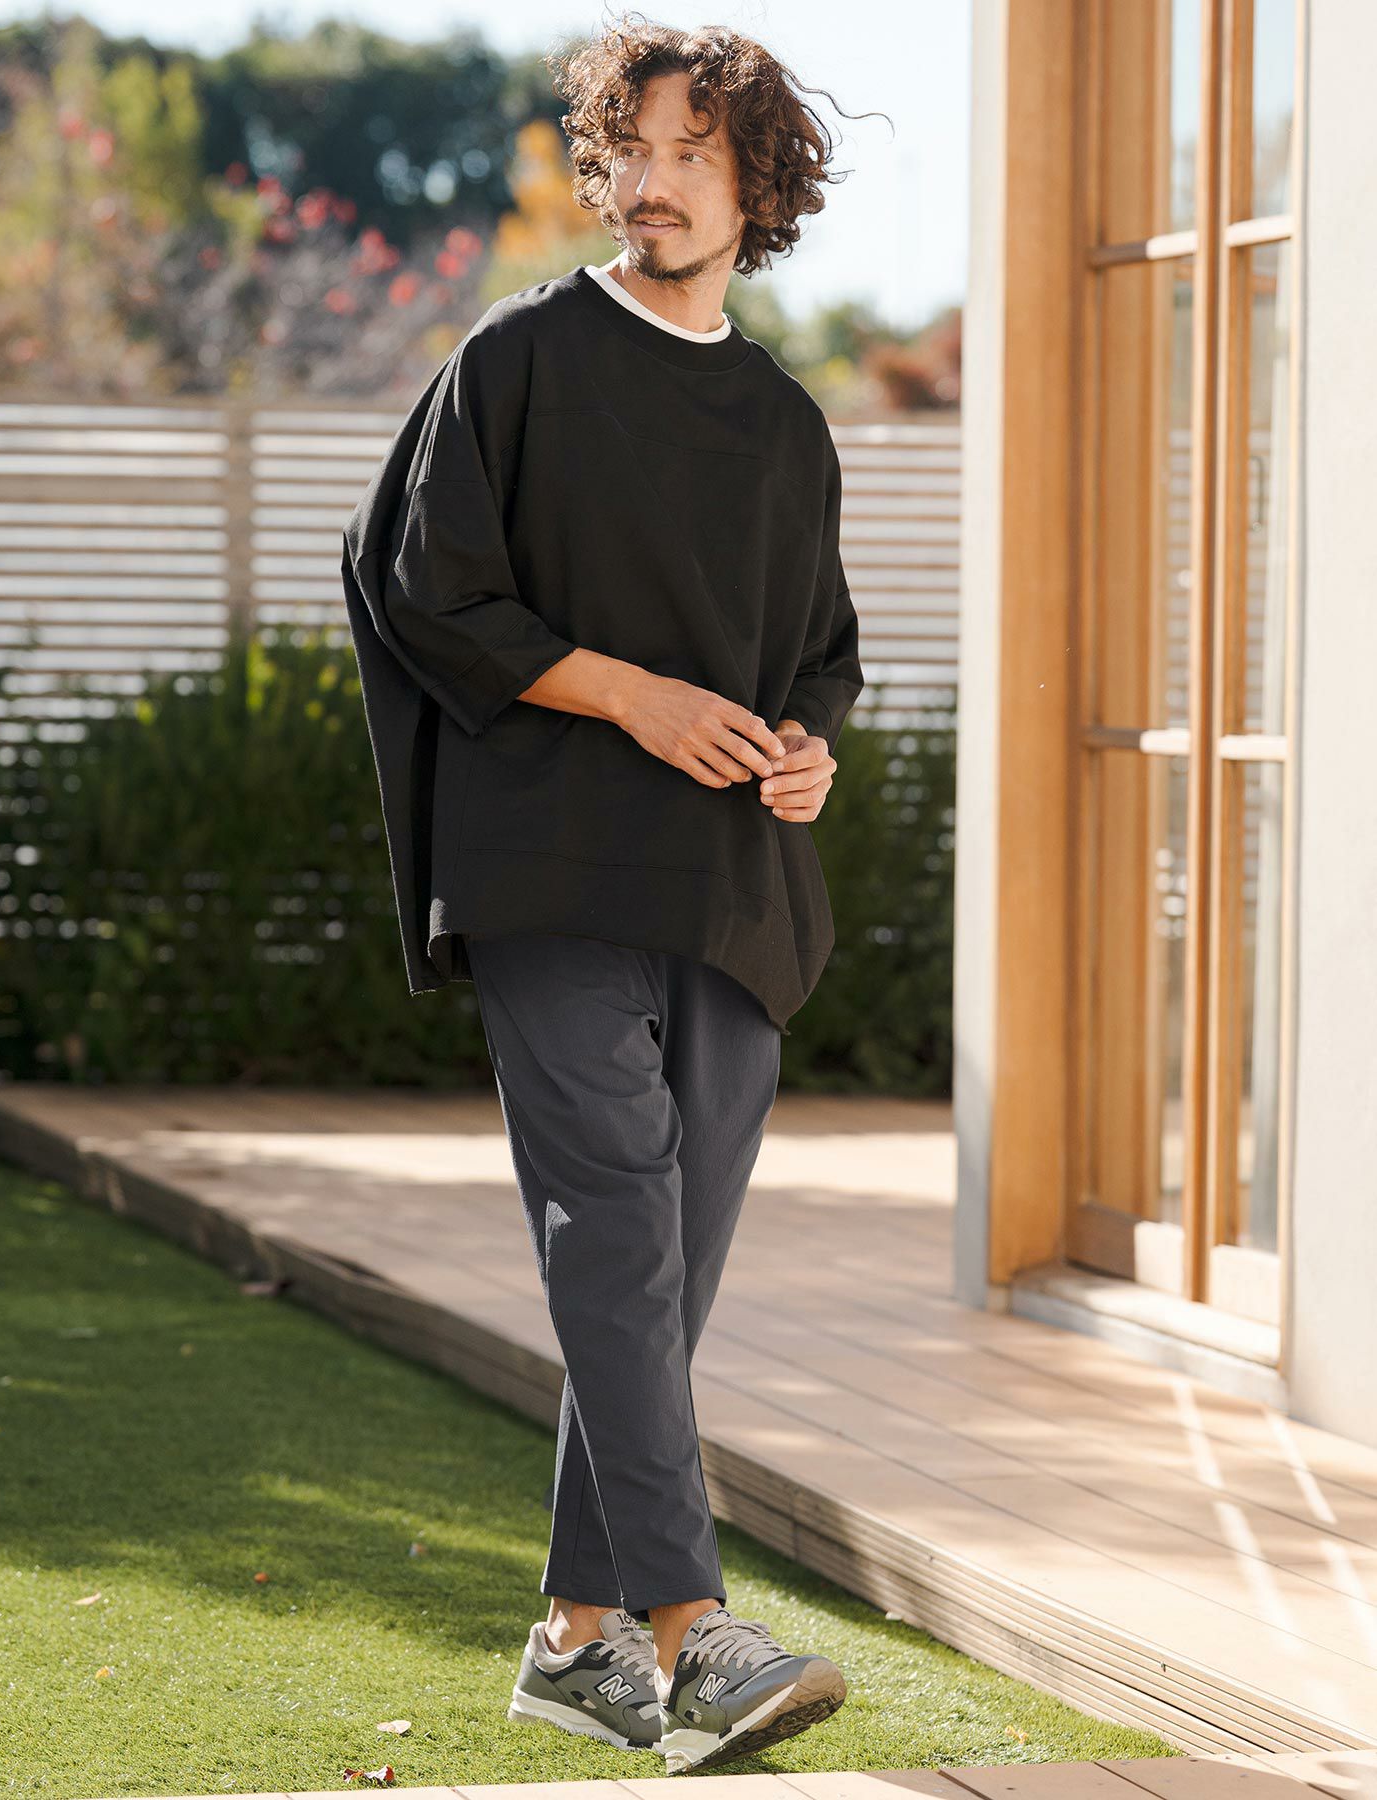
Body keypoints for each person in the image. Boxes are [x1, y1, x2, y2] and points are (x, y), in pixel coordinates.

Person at [341, 16, 867, 1775]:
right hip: (551, 864)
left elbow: (821, 656)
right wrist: (630, 694)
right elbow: (422, 584)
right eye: (629, 148)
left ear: (757, 187)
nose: (652, 181)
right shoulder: (520, 359)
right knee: (620, 1236)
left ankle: (574, 1638)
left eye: (692, 154)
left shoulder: (788, 425)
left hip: (731, 889)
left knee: (662, 1276)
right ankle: (691, 1636)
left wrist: (809, 754)